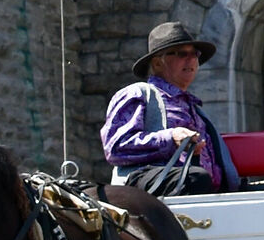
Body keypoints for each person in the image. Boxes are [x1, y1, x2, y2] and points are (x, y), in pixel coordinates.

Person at [100, 22, 241, 194]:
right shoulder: (139, 94)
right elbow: (115, 147)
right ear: (157, 63)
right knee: (196, 178)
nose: (191, 59)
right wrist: (171, 138)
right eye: (182, 54)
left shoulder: (196, 110)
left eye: (194, 54)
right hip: (146, 193)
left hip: (205, 194)